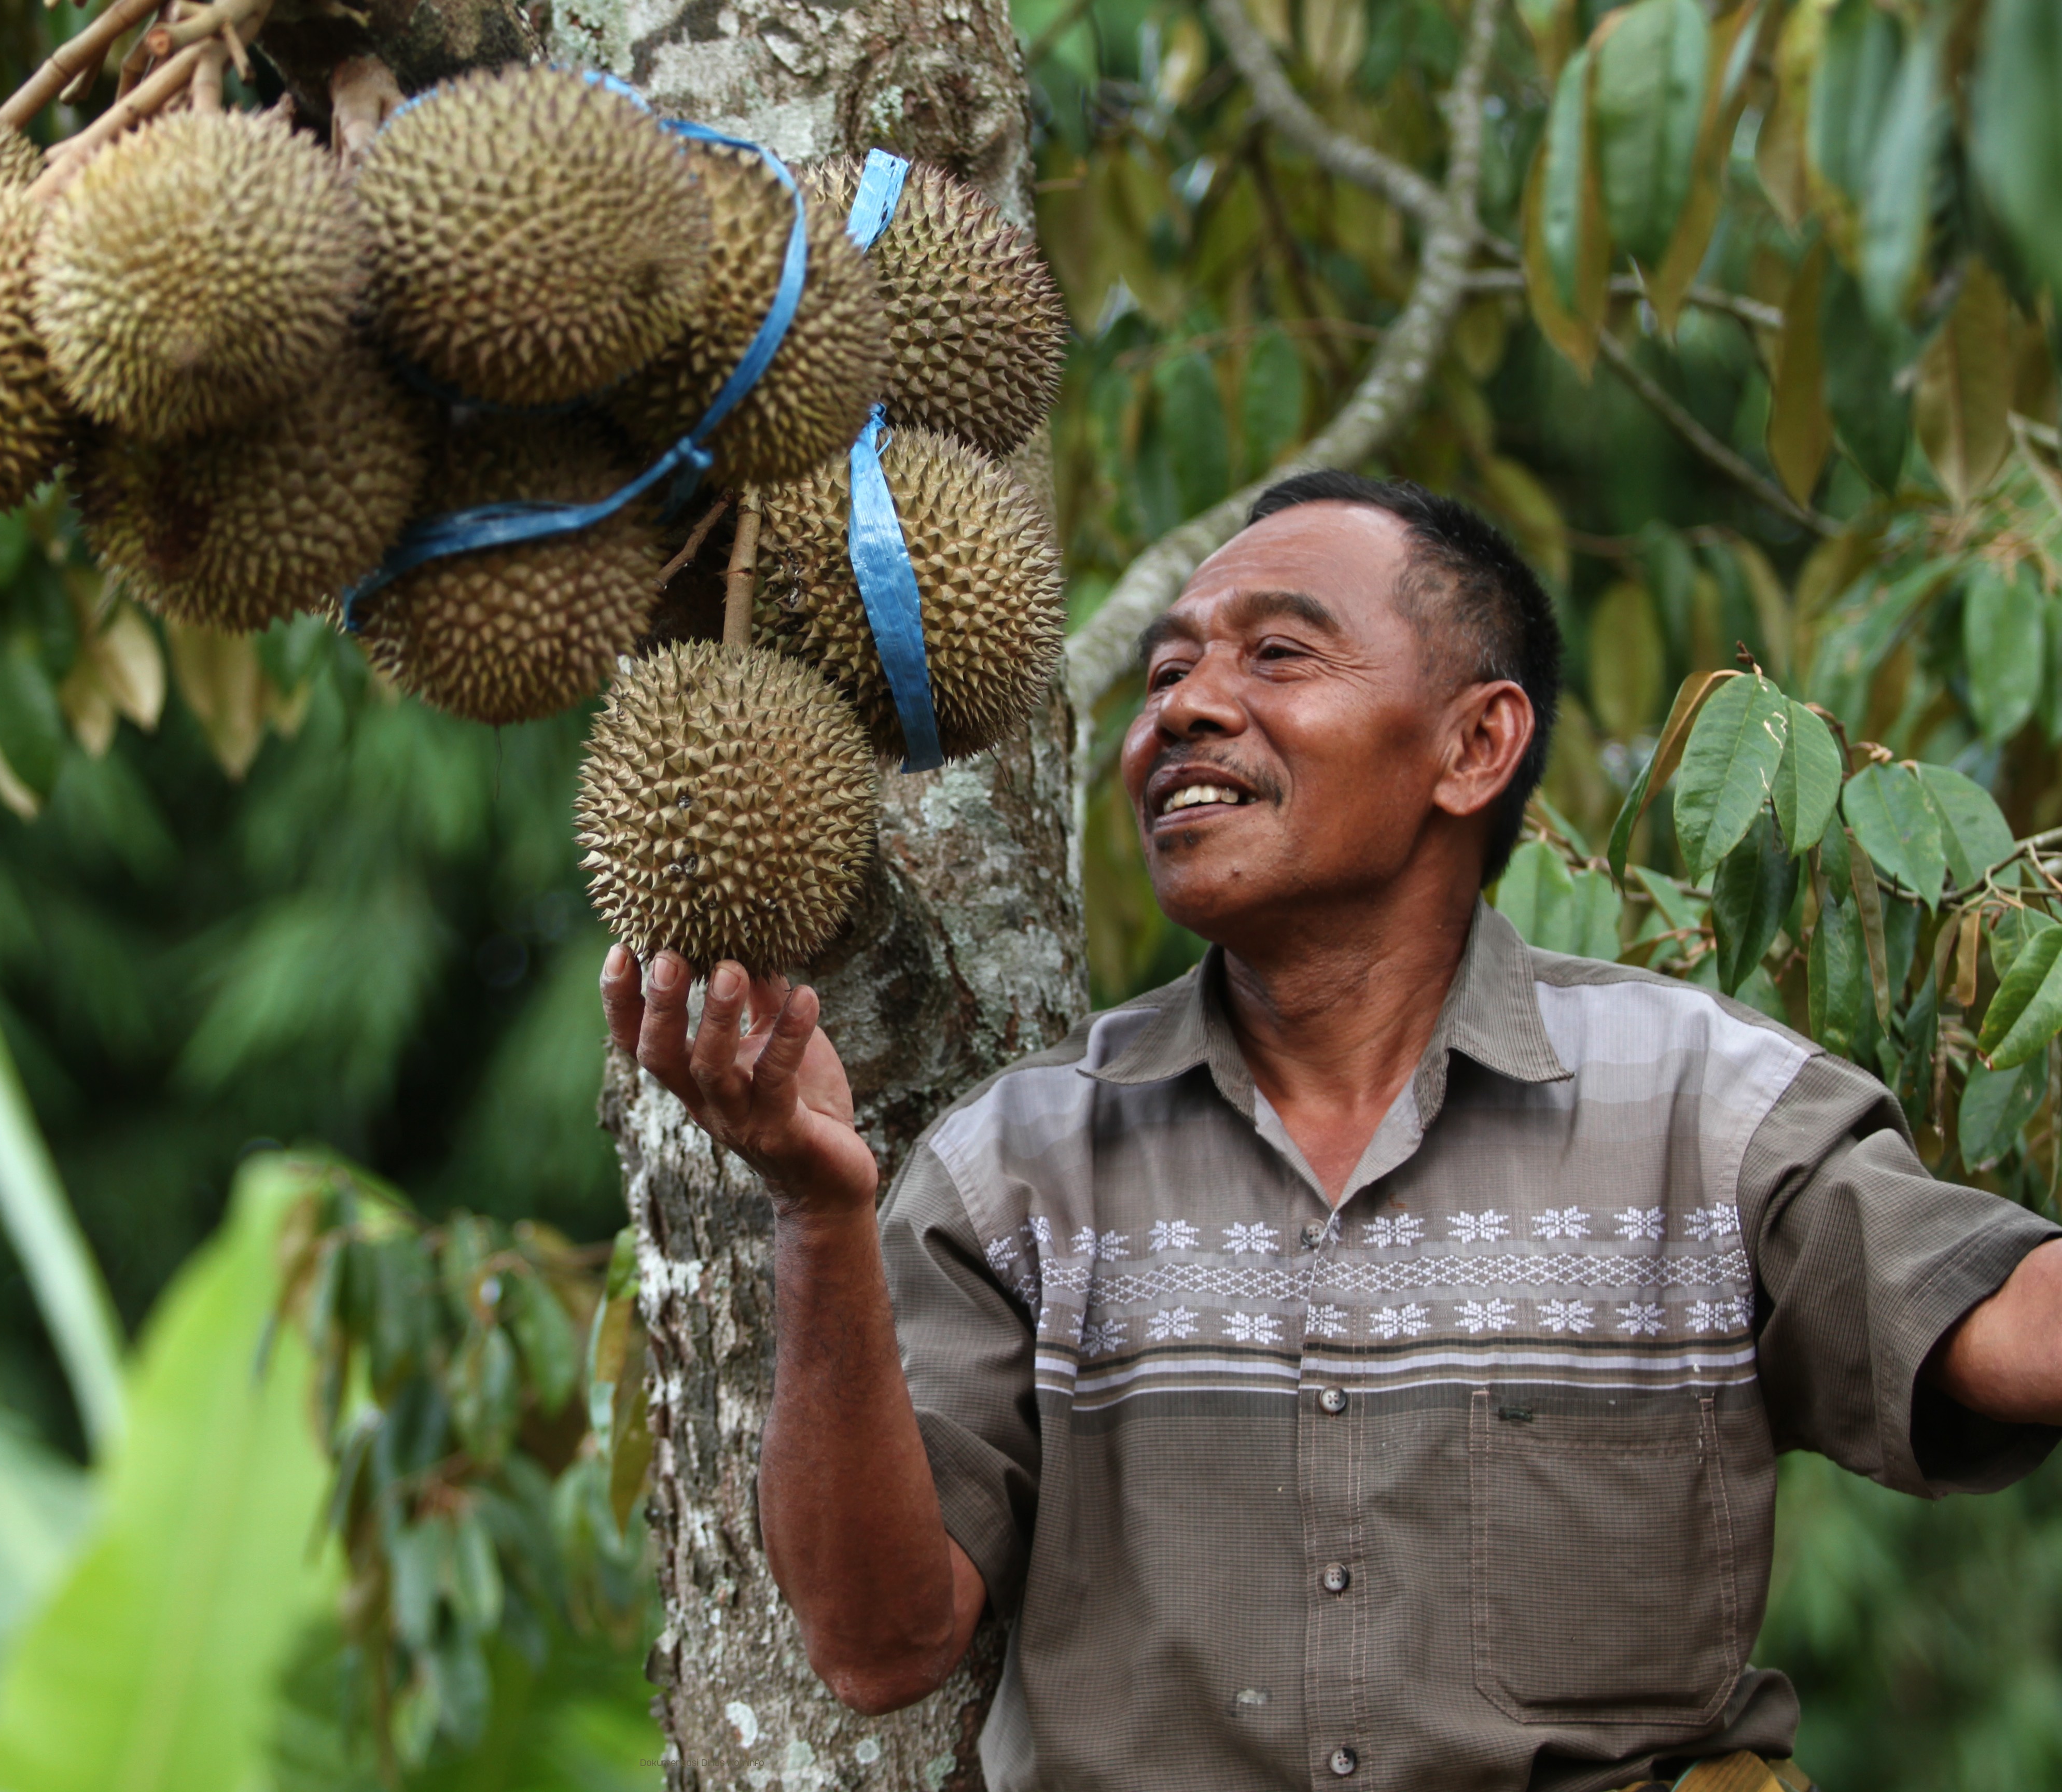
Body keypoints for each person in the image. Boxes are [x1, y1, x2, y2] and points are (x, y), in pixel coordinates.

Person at [599, 471, 2062, 1792]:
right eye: (1167, 668)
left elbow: (2008, 1333)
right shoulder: (1020, 1167)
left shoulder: (1707, 1107)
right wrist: (816, 1212)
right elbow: (876, 1643)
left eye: (1277, 654)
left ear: (1477, 745)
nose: (1182, 705)